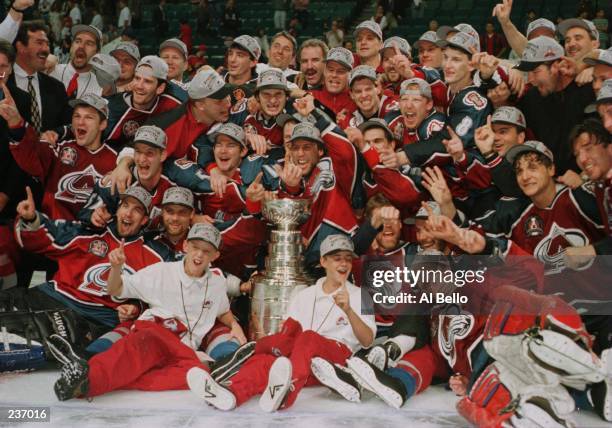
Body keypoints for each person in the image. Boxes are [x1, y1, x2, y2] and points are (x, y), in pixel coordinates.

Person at [51, 222, 249, 401]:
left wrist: (234, 325)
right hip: (155, 332)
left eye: (206, 251)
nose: (199, 255)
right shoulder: (161, 271)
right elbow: (116, 289)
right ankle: (91, 378)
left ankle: (83, 381)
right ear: (186, 246)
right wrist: (116, 268)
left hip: (183, 349)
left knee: (199, 371)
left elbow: (222, 310)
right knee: (147, 342)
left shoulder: (217, 283)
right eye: (195, 248)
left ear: (215, 256)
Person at [186, 234, 375, 411]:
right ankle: (231, 393)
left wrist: (349, 310)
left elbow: (367, 341)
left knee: (308, 337)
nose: (344, 264)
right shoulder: (304, 295)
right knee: (266, 360)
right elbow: (289, 335)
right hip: (305, 365)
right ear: (323, 261)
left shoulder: (361, 295)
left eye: (348, 258)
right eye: (337, 258)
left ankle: (287, 393)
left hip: (336, 360)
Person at [6, 92, 117, 221]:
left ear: (103, 124)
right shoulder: (59, 148)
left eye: (89, 117)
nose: (80, 122)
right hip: (54, 232)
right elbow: (31, 156)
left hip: (90, 236)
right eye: (76, 116)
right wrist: (15, 123)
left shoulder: (116, 161)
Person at [10, 22, 71, 132]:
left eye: (47, 44)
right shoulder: (4, 81)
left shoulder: (56, 87)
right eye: (39, 43)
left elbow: (68, 125)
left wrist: (55, 134)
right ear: (20, 47)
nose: (46, 49)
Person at [50, 24, 104, 98]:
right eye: (78, 41)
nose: (81, 46)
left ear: (97, 53)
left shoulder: (99, 88)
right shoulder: (51, 71)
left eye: (89, 43)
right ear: (71, 47)